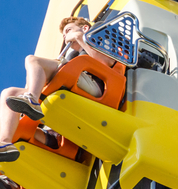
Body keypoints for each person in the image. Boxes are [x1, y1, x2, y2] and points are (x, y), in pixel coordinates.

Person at [0, 17, 113, 163]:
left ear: (85, 28)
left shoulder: (96, 37)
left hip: (96, 85)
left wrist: (79, 37)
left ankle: (32, 99)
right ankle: (5, 143)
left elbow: (107, 62)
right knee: (8, 93)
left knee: (32, 59)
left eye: (68, 30)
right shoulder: (70, 56)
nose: (65, 36)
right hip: (74, 82)